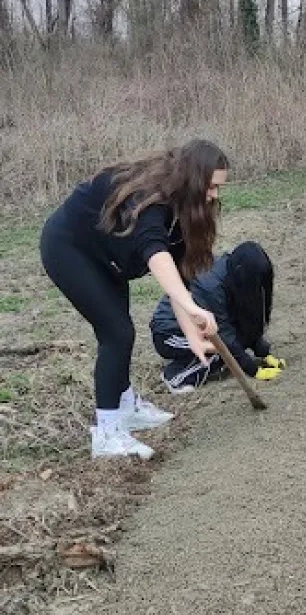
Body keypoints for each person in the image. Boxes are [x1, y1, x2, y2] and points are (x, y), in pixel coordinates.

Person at [40, 139, 228, 460]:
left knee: (120, 329)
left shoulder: (184, 209)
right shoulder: (150, 200)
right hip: (69, 248)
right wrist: (194, 307)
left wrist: (192, 331)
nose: (215, 196)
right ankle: (107, 433)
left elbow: (178, 281)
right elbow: (156, 254)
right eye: (211, 187)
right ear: (193, 180)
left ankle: (126, 405)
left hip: (107, 254)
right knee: (117, 333)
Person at [150, 240, 285, 394]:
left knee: (235, 345)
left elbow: (247, 319)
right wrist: (253, 370)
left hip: (204, 325)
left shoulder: (237, 274)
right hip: (169, 332)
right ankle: (175, 376)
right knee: (222, 353)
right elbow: (225, 336)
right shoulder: (212, 288)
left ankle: (195, 358)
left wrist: (264, 353)